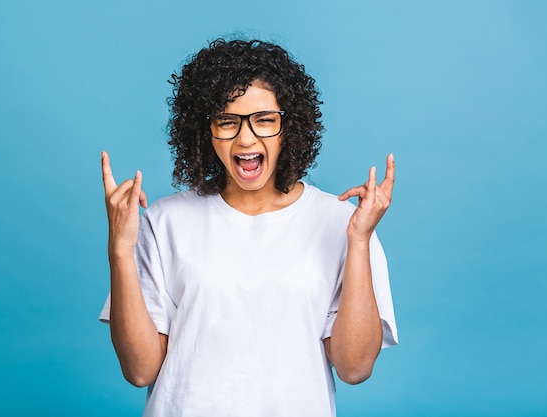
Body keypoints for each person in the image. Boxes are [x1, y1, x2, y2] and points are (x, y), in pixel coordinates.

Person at [99, 38, 398, 417]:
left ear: (289, 127)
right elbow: (140, 370)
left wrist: (359, 241)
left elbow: (354, 367)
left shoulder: (343, 223)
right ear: (204, 129)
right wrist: (120, 250)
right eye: (227, 121)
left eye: (264, 120)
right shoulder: (164, 222)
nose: (245, 137)